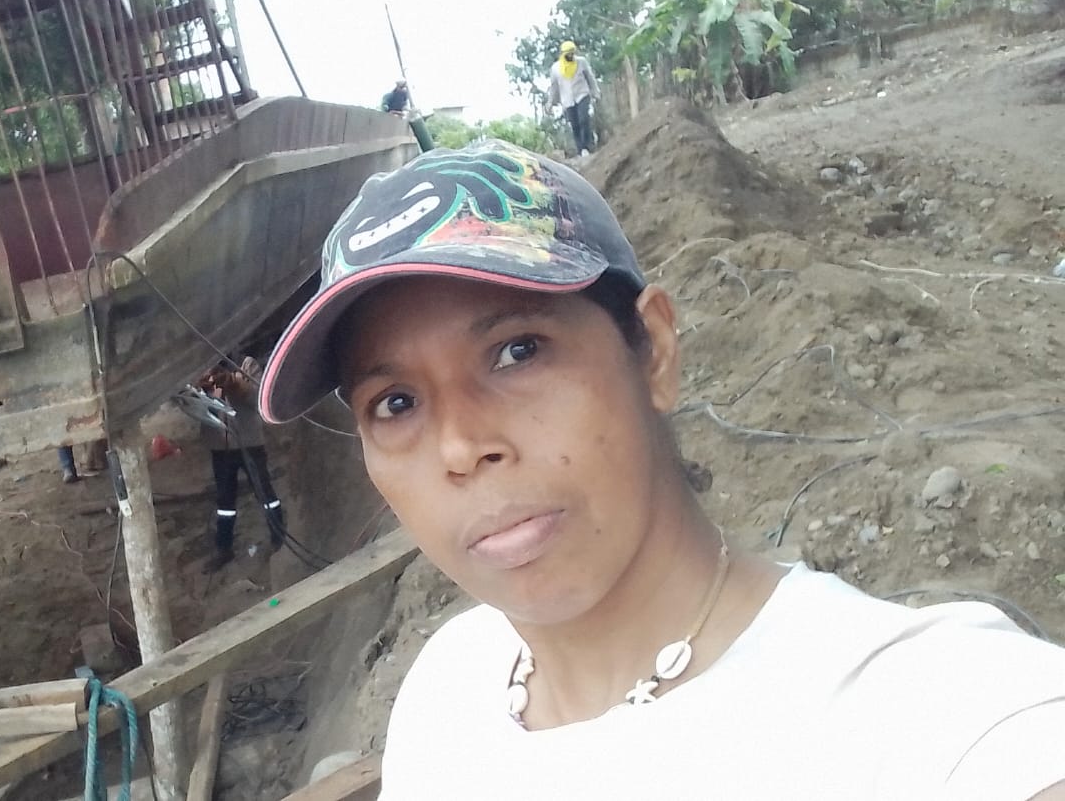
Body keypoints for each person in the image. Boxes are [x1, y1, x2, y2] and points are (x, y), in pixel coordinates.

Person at [256, 140, 1065, 798]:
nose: (460, 447)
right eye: (395, 403)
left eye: (517, 351)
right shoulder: (446, 694)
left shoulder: (918, 709)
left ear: (656, 351)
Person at [199, 356, 287, 573]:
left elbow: (259, 400)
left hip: (250, 443)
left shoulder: (248, 365)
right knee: (224, 502)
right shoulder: (200, 369)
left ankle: (279, 538)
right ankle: (224, 548)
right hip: (220, 447)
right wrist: (205, 388)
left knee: (265, 493)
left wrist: (235, 384)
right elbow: (192, 403)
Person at [547, 40, 599, 157]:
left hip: (582, 94)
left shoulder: (581, 62)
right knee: (575, 125)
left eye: (572, 53)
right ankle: (580, 150)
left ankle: (586, 146)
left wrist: (595, 92)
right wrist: (550, 102)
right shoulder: (555, 68)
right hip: (567, 100)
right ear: (563, 54)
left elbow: (590, 77)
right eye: (569, 53)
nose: (571, 55)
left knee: (583, 119)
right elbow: (554, 87)